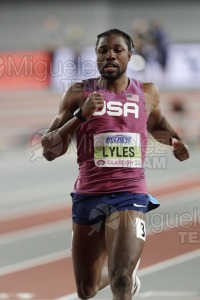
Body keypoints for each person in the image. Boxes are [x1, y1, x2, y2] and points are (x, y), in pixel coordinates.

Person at [41, 29, 190, 300]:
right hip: (88, 194)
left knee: (120, 281)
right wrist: (80, 116)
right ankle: (129, 272)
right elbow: (50, 150)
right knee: (86, 289)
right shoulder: (78, 93)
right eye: (102, 50)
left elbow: (156, 123)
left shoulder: (147, 92)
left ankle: (126, 274)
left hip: (130, 194)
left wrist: (176, 141)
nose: (110, 55)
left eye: (117, 50)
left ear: (129, 55)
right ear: (96, 55)